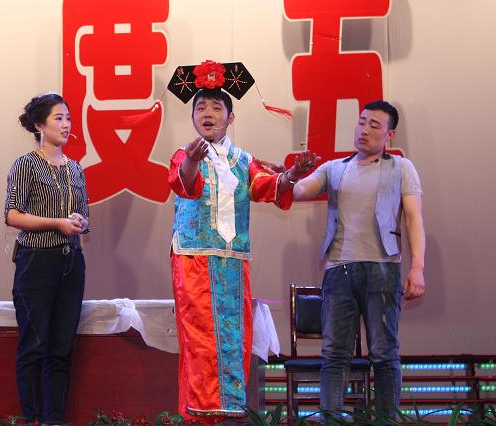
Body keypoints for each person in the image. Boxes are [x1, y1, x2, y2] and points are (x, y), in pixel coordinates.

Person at [166, 60, 317, 422]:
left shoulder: (243, 160)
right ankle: (200, 412)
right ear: (192, 117)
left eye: (217, 107)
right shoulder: (184, 154)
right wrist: (192, 162)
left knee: (233, 334)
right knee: (199, 334)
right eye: (201, 108)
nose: (208, 114)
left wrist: (292, 174)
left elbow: (267, 187)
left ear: (230, 118)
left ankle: (231, 407)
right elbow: (185, 183)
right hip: (195, 257)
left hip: (232, 259)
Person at [292, 100, 426, 417]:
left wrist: (418, 267)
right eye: (362, 122)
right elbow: (298, 191)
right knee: (334, 353)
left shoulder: (401, 168)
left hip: (383, 269)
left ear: (389, 135)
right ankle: (332, 419)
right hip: (339, 271)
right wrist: (292, 174)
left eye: (374, 125)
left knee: (383, 353)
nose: (364, 129)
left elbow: (414, 219)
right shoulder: (334, 168)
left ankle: (386, 420)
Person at [4, 92, 89, 425]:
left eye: (68, 118)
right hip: (36, 262)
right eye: (58, 118)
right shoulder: (26, 164)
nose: (66, 125)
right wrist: (57, 223)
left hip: (72, 262)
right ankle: (33, 419)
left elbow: (84, 216)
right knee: (34, 347)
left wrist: (80, 222)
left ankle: (55, 419)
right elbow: (12, 215)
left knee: (61, 350)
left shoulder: (76, 169)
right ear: (40, 125)